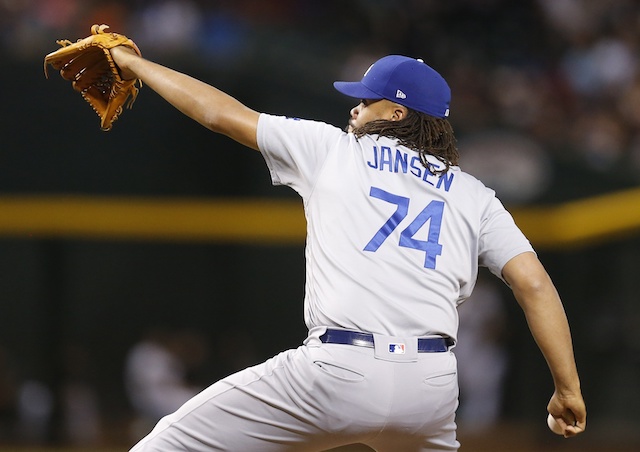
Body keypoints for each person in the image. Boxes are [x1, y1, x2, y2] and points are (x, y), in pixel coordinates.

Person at [109, 46, 586, 451]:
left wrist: (138, 65)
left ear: (398, 114)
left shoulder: (333, 149)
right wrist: (567, 387)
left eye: (367, 100)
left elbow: (220, 114)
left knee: (166, 443)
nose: (354, 108)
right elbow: (534, 283)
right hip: (432, 386)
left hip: (338, 370)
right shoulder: (475, 195)